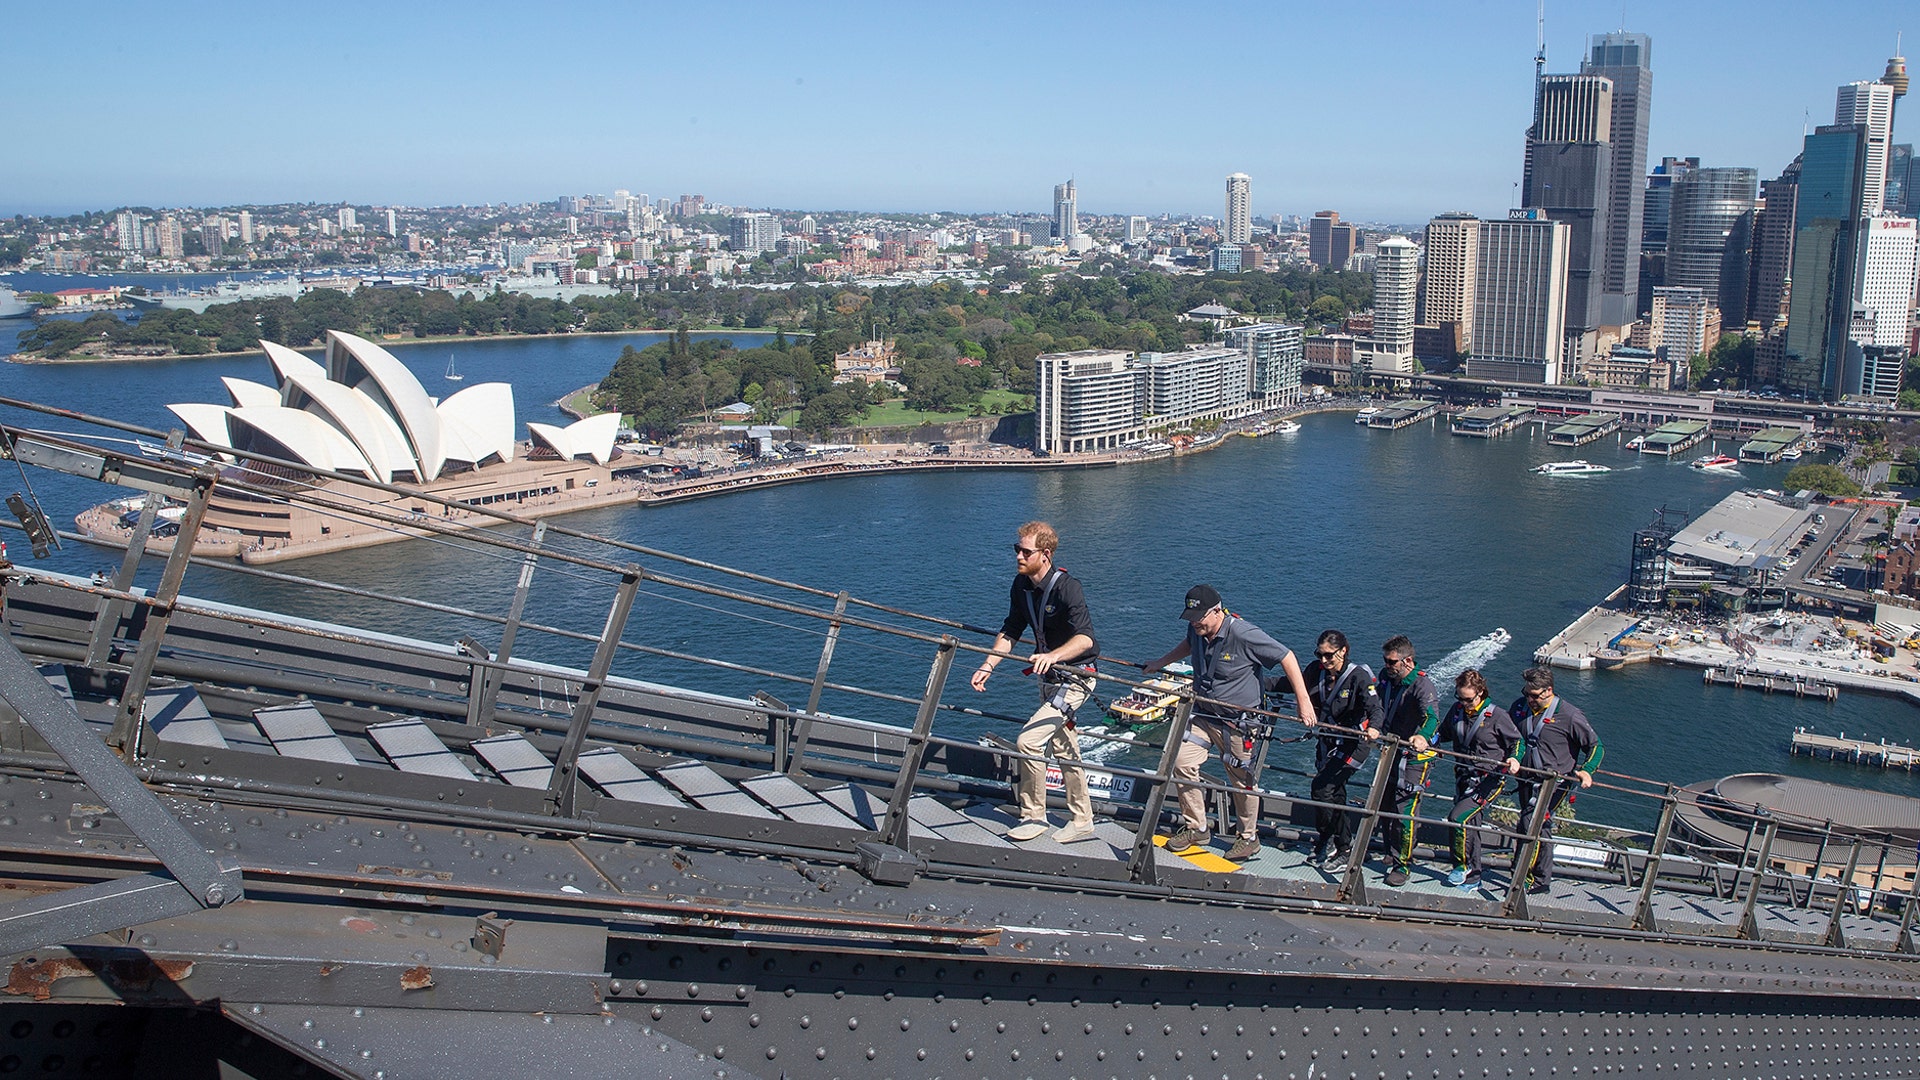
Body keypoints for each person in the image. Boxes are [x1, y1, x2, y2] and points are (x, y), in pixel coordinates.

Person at [1143, 585, 1316, 862]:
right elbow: (1189, 643)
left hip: (1238, 723)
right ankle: (1197, 827)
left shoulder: (1243, 633)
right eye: (1190, 616)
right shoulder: (1197, 629)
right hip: (1204, 713)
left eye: (1199, 616)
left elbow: (1286, 656)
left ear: (1216, 611)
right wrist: (1161, 662)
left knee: (1241, 781)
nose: (1194, 622)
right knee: (1180, 762)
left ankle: (1248, 838)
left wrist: (1303, 701)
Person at [969, 521, 1100, 843]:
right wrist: (989, 664)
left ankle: (1034, 816)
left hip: (1077, 678)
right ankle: (1083, 819)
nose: (1018, 556)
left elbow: (1086, 639)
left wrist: (1053, 656)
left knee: (1029, 741)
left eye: (1025, 551)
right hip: (1049, 678)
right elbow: (1011, 630)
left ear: (1045, 554)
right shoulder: (1021, 585)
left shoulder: (1068, 587)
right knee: (1066, 750)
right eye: (1017, 549)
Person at [1291, 630, 1383, 873]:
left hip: (1354, 743)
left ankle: (1341, 846)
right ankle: (1333, 840)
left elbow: (1375, 708)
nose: (1323, 660)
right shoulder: (1316, 671)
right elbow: (1292, 684)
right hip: (1328, 742)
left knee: (1322, 788)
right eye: (1319, 654)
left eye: (1328, 656)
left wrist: (1374, 728)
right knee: (1335, 792)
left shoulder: (1358, 677)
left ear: (1343, 651)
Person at [1508, 666, 1603, 894]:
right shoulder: (1520, 708)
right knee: (1536, 825)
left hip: (1554, 783)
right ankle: (1535, 876)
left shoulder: (1570, 715)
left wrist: (1587, 770)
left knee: (1532, 823)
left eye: (1534, 695)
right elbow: (1510, 736)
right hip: (1525, 779)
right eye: (1526, 693)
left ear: (1549, 691)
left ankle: (1528, 877)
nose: (1529, 699)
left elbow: (1595, 746)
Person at [1436, 669, 1523, 889]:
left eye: (1468, 699)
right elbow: (1442, 733)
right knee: (1471, 826)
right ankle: (1474, 876)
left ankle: (1461, 865)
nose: (1464, 703)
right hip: (1463, 777)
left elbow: (1517, 742)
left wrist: (1514, 759)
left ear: (1481, 693)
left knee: (1458, 818)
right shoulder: (1457, 711)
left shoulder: (1498, 716)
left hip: (1488, 780)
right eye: (1460, 698)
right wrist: (1427, 741)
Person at [1375, 635, 1439, 887]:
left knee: (1405, 811)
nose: (1387, 666)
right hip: (1390, 749)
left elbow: (1432, 718)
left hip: (1414, 757)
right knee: (1384, 804)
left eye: (1392, 662)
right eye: (1386, 661)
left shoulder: (1423, 686)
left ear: (1407, 661)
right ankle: (1391, 852)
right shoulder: (1386, 677)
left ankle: (1404, 864)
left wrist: (1422, 736)